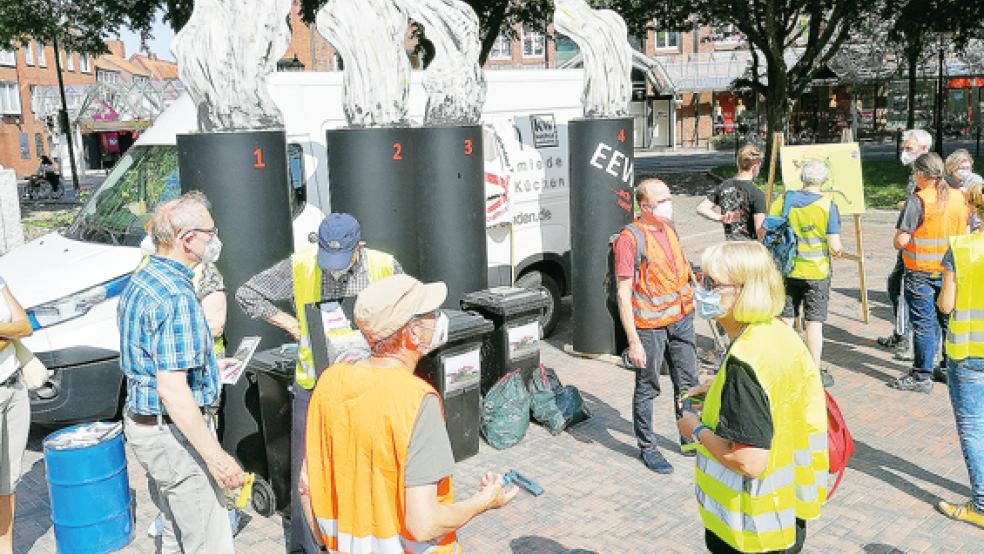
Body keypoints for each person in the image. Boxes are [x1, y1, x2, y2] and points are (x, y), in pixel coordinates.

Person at [299, 274, 516, 552]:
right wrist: (485, 501)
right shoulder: (415, 400)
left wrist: (324, 542)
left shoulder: (330, 382)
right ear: (413, 333)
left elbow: (307, 486)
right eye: (432, 315)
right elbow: (423, 525)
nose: (439, 319)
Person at [236, 212, 401, 554]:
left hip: (368, 388)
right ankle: (307, 546)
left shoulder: (384, 266)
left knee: (367, 469)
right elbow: (247, 294)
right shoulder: (302, 265)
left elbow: (408, 310)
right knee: (308, 477)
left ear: (360, 247)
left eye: (342, 259)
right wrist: (291, 324)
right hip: (314, 389)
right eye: (328, 258)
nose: (333, 268)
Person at [678, 241, 828, 554]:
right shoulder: (779, 331)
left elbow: (749, 461)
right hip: (786, 511)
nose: (700, 290)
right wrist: (717, 387)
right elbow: (777, 391)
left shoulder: (744, 363)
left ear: (745, 291)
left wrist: (694, 430)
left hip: (751, 527)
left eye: (711, 283)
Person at [118, 191, 245, 553]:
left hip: (146, 428)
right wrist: (216, 457)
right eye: (210, 232)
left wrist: (205, 367)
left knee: (175, 528)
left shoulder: (144, 278)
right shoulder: (176, 294)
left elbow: (150, 358)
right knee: (208, 539)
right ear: (188, 240)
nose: (214, 239)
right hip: (172, 434)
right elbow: (172, 390)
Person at [615, 178, 699, 474]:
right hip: (649, 327)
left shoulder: (669, 227)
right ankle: (648, 447)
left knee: (689, 383)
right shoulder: (630, 239)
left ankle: (691, 438)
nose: (668, 203)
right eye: (661, 199)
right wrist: (634, 341)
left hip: (681, 319)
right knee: (648, 387)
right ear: (644, 205)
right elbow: (623, 293)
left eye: (668, 196)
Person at [889, 153, 969, 393]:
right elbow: (964, 232)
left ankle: (921, 374)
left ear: (923, 175)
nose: (914, 176)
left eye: (915, 172)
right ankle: (947, 367)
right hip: (950, 271)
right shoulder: (959, 196)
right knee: (948, 320)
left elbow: (901, 240)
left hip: (921, 272)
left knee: (924, 323)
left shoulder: (918, 200)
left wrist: (899, 238)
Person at [936, 181, 984, 529]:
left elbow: (946, 304)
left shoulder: (961, 248)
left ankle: (981, 504)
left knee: (973, 428)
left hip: (968, 352)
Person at [769, 160, 842, 387]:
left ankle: (784, 365)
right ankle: (813, 369)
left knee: (786, 318)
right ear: (824, 181)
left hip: (787, 269)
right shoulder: (827, 206)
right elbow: (835, 245)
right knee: (814, 322)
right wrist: (837, 251)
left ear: (802, 178)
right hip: (816, 272)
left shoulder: (783, 201)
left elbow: (769, 229)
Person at [877, 129, 933, 359]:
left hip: (917, 246)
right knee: (895, 285)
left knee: (903, 290)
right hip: (912, 243)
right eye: (905, 147)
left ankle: (906, 339)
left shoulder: (927, 176)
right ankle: (902, 335)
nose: (904, 152)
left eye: (909, 148)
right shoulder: (917, 174)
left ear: (924, 149)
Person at [0, 278, 32, 554]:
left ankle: (6, 548)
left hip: (14, 386)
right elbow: (16, 330)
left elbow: (25, 326)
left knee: (8, 478)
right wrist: (9, 333)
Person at [696, 145, 767, 241]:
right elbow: (760, 232)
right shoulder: (757, 193)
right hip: (750, 249)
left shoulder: (724, 186)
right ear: (755, 167)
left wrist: (720, 217)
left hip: (729, 247)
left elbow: (701, 208)